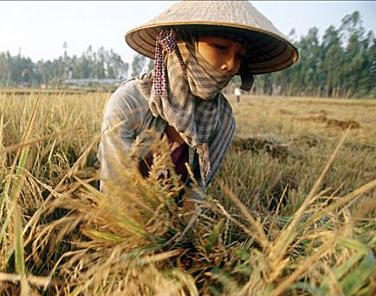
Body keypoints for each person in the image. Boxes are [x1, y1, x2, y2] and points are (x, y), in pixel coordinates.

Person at [98, 1, 298, 209]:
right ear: (186, 46)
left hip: (169, 219)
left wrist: (181, 235)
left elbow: (195, 192)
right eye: (220, 47)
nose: (231, 65)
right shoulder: (130, 101)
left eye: (239, 56)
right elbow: (115, 189)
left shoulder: (223, 120)